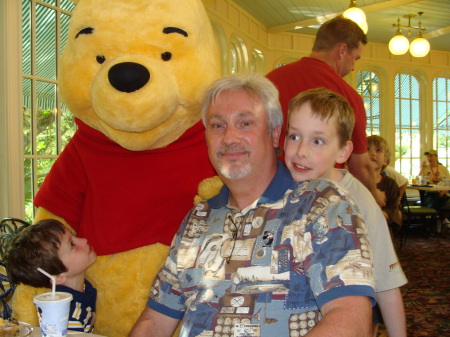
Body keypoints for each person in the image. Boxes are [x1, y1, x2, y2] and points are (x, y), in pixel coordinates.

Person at [130, 74, 376, 337]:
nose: (229, 137)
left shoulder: (321, 203)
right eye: (217, 125)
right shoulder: (198, 218)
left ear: (273, 134)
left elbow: (350, 317)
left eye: (245, 123)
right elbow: (155, 321)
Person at [284, 88, 407, 337]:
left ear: (343, 151)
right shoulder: (280, 185)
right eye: (294, 136)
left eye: (317, 141)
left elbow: (386, 283)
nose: (301, 151)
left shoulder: (358, 200)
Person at [266, 15, 384, 208]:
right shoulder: (348, 96)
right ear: (342, 50)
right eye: (355, 58)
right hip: (320, 203)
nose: (354, 67)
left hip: (267, 197)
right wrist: (374, 196)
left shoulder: (269, 82)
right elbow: (360, 165)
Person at [6, 219, 97, 333]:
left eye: (74, 236)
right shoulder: (69, 317)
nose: (84, 240)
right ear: (58, 277)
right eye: (72, 244)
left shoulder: (84, 287)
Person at [367, 135, 403, 235]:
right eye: (367, 149)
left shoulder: (391, 184)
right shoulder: (356, 182)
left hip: (383, 230)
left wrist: (381, 215)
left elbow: (392, 208)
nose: (372, 153)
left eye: (378, 150)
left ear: (385, 160)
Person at [418, 149, 450, 230]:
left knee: (445, 201)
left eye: (431, 156)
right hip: (430, 194)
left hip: (443, 194)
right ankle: (439, 221)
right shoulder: (426, 169)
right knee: (435, 198)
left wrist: (443, 192)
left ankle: (440, 220)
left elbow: (448, 183)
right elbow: (418, 181)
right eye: (428, 156)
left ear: (436, 157)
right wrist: (422, 169)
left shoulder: (443, 168)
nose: (429, 158)